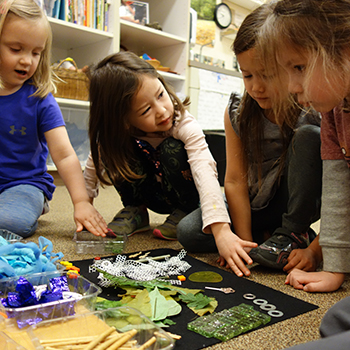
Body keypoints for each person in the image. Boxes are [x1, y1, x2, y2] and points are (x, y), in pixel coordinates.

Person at [177, 3, 323, 277]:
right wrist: (243, 243)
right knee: (189, 231)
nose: (256, 86)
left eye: (266, 75)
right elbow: (234, 181)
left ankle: (293, 233)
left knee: (307, 138)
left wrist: (317, 248)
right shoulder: (238, 112)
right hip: (254, 205)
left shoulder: (311, 109)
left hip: (290, 205)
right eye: (247, 75)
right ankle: (267, 239)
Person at [83, 51, 232, 242]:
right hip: (151, 194)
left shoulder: (182, 122)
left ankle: (186, 211)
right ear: (123, 120)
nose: (162, 111)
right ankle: (135, 209)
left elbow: (204, 167)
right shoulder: (120, 131)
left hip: (185, 196)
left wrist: (220, 228)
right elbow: (92, 166)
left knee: (172, 147)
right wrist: (84, 204)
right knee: (112, 146)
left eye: (161, 95)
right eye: (146, 110)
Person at [255, 0, 350, 293]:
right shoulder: (333, 112)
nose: (293, 86)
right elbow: (338, 192)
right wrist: (334, 267)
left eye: (299, 67)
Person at [0, 0, 108, 238]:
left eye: (36, 52)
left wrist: (81, 202)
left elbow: (65, 154)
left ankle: (37, 201)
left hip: (23, 183)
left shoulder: (40, 99)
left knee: (9, 222)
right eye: (16, 49)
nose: (27, 60)